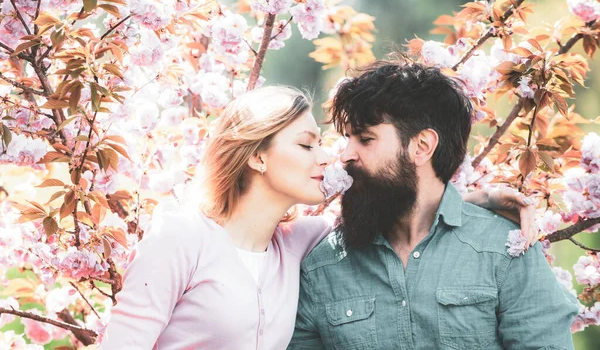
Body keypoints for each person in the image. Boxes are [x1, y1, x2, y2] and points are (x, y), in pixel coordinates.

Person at [100, 86, 537, 350]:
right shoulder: (180, 238)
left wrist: (478, 198)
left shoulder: (302, 243)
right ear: (256, 156)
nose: (328, 157)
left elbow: (406, 206)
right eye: (306, 145)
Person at [288, 59, 579, 350]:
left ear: (422, 146)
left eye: (365, 139)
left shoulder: (505, 249)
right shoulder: (322, 265)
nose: (346, 156)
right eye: (348, 139)